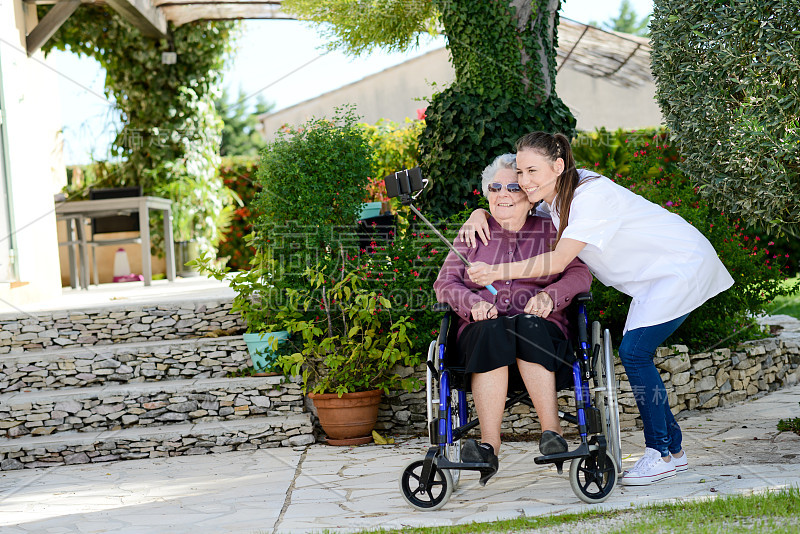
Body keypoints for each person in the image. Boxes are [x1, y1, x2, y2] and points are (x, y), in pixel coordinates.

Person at [462, 132, 734, 486]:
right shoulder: (553, 196)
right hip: (653, 280)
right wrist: (479, 210)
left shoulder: (591, 196)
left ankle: (660, 453)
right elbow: (512, 208)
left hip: (680, 267)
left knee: (635, 353)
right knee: (637, 353)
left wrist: (497, 272)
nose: (524, 181)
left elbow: (560, 259)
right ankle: (675, 451)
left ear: (558, 166)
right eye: (520, 172)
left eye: (531, 171)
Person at [434, 153, 592, 485]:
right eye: (495, 188)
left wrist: (550, 296)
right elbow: (444, 284)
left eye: (512, 187)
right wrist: (472, 302)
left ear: (528, 193)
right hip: (483, 336)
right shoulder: (473, 233)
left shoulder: (552, 230)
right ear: (487, 193)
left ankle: (552, 433)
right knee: (492, 329)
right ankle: (489, 447)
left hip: (541, 333)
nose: (503, 195)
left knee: (528, 324)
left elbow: (579, 276)